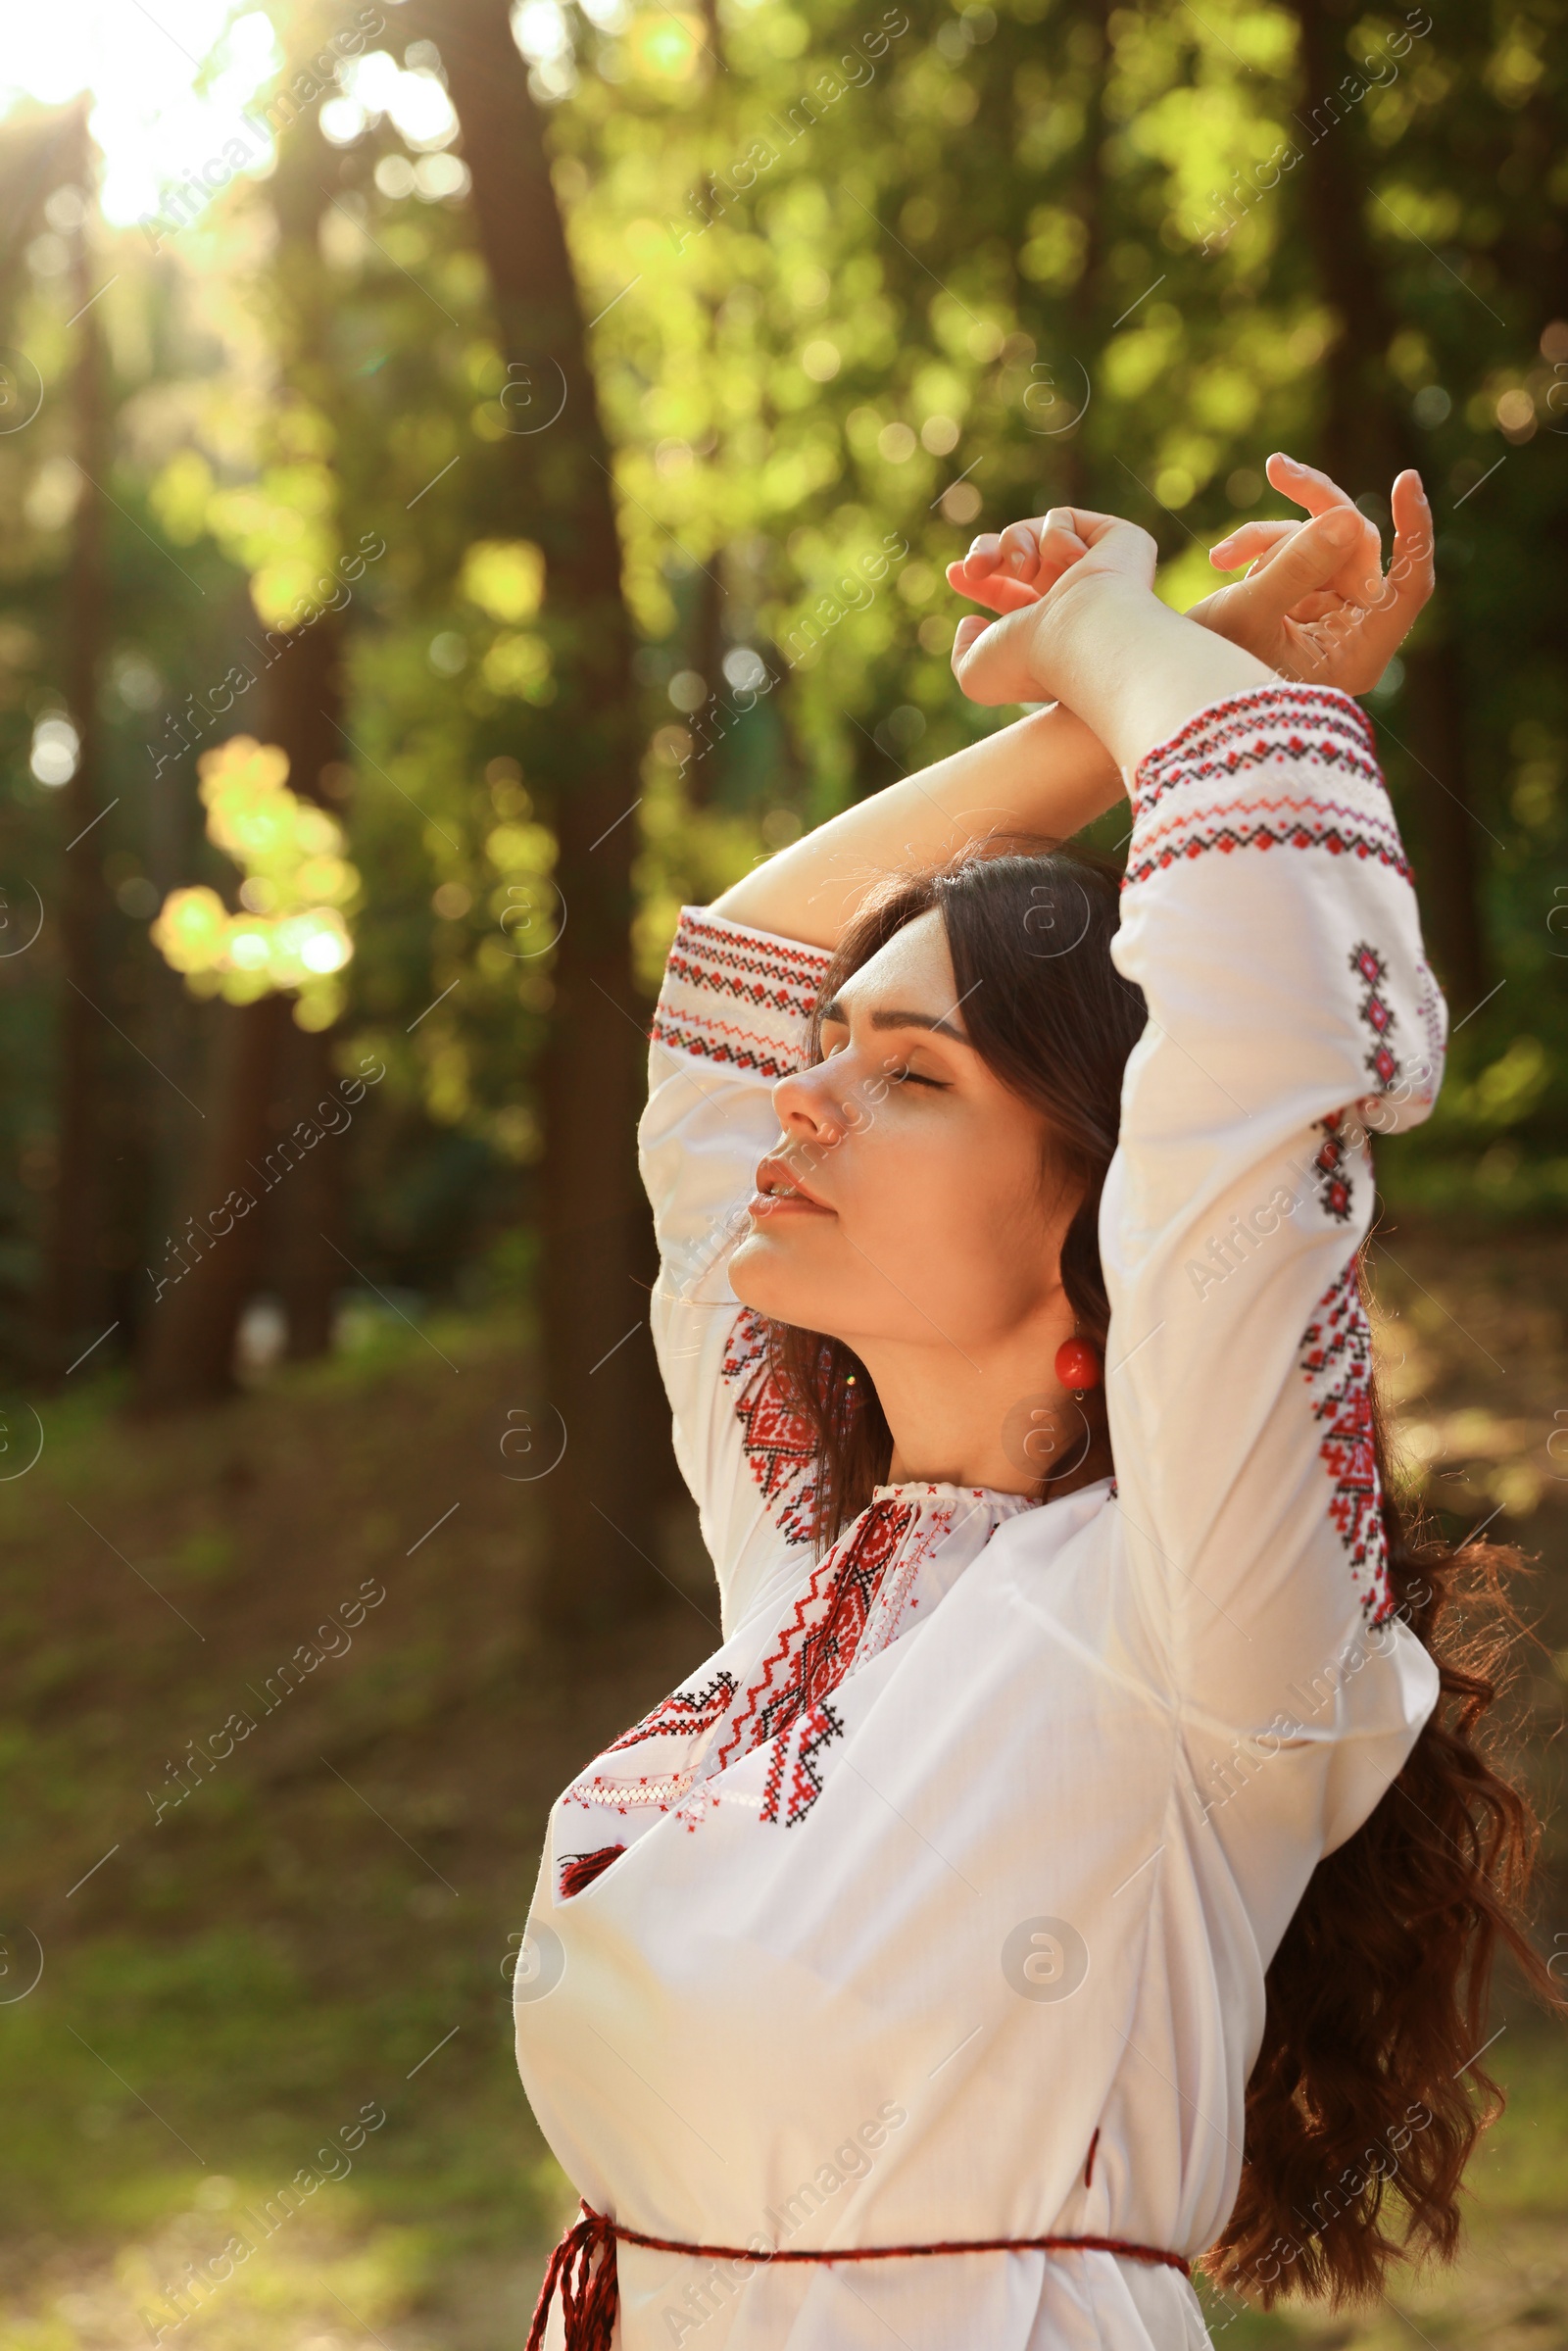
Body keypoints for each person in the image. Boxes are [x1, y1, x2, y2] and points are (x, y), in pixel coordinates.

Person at [516, 455, 1555, 2350]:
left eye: (912, 1076)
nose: (808, 1096)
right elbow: (737, 980)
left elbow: (1255, 1030)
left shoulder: (1192, 1609)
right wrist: (1132, 693)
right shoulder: (815, 1574)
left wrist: (1123, 635)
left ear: (1110, 1206)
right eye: (840, 1055)